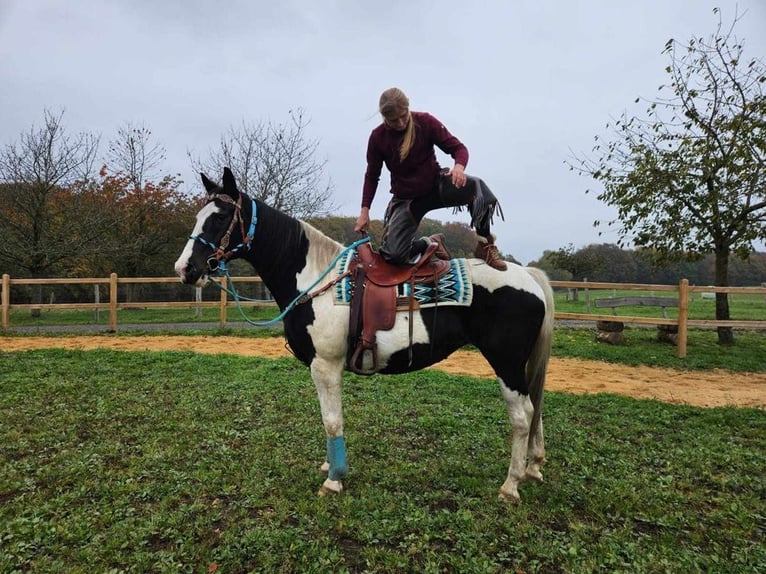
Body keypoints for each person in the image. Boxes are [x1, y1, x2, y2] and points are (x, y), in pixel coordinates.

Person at [354, 87, 507, 271]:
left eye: (404, 116)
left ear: (408, 108)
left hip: (435, 187)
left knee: (478, 189)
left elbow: (459, 148)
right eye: (394, 120)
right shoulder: (378, 137)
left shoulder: (425, 122)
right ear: (385, 117)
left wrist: (458, 167)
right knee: (393, 255)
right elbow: (372, 176)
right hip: (406, 200)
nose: (401, 123)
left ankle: (485, 245)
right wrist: (365, 211)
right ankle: (430, 243)